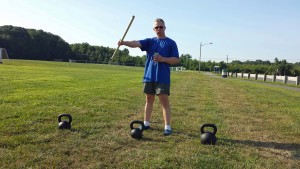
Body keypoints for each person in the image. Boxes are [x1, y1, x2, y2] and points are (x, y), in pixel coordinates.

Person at [118, 18, 180, 136]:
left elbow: (176, 60)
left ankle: (167, 127)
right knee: (148, 100)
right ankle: (146, 124)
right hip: (149, 76)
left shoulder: (171, 43)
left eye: (161, 27)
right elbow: (136, 43)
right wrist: (124, 42)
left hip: (162, 77)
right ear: (153, 29)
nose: (159, 29)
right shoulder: (150, 41)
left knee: (164, 102)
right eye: (156, 27)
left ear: (165, 27)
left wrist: (163, 59)